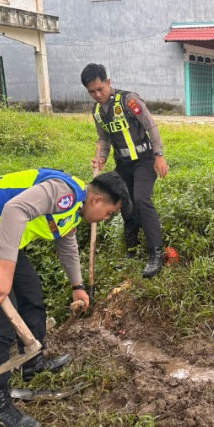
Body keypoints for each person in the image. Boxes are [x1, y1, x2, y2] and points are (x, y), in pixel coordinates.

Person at [0, 168, 128, 427]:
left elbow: (66, 242)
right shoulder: (66, 193)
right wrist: (3, 272)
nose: (106, 218)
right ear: (97, 200)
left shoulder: (74, 209)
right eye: (110, 213)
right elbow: (15, 211)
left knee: (30, 293)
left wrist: (77, 287)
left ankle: (33, 363)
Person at [81, 63, 170, 278]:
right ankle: (131, 250)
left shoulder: (129, 100)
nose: (97, 95)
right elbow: (104, 138)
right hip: (123, 164)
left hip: (145, 160)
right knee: (126, 204)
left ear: (108, 83)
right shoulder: (97, 112)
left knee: (141, 200)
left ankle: (156, 252)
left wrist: (159, 155)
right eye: (91, 92)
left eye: (100, 89)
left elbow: (151, 126)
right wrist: (101, 157)